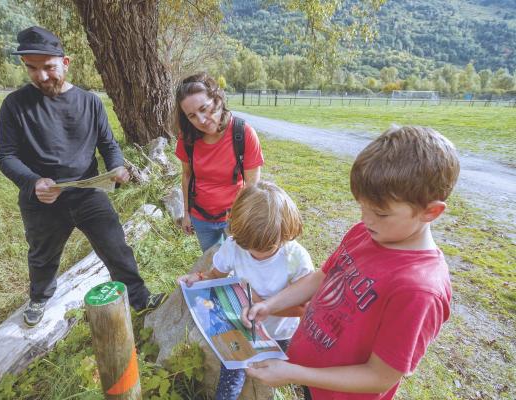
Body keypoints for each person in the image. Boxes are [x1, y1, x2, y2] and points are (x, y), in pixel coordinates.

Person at [241, 126, 460, 399]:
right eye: (362, 207)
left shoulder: (419, 291)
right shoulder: (364, 233)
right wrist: (271, 305)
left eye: (380, 213)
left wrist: (294, 372)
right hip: (313, 381)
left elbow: (379, 377)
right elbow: (322, 277)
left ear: (431, 211)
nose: (366, 219)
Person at [0, 26, 164, 327]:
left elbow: (108, 145)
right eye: (32, 68)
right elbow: (6, 156)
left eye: (48, 67)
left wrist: (115, 168)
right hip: (42, 198)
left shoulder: (90, 102)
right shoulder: (14, 105)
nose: (41, 76)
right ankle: (39, 298)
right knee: (41, 256)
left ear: (66, 62)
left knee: (116, 247)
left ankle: (139, 299)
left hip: (88, 193)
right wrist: (34, 182)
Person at [179, 181, 315, 400]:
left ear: (285, 234)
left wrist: (265, 304)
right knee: (230, 377)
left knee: (299, 373)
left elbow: (305, 309)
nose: (257, 255)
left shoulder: (295, 257)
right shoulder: (234, 246)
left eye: (268, 249)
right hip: (241, 330)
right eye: (250, 248)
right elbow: (216, 275)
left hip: (281, 333)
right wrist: (199, 278)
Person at [174, 73, 264, 252]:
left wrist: (241, 220)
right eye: (192, 116)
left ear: (217, 100)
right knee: (212, 265)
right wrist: (187, 214)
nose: (200, 120)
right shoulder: (187, 138)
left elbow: (252, 186)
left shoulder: (243, 133)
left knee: (239, 267)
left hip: (235, 218)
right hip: (200, 217)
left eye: (204, 108)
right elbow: (187, 176)